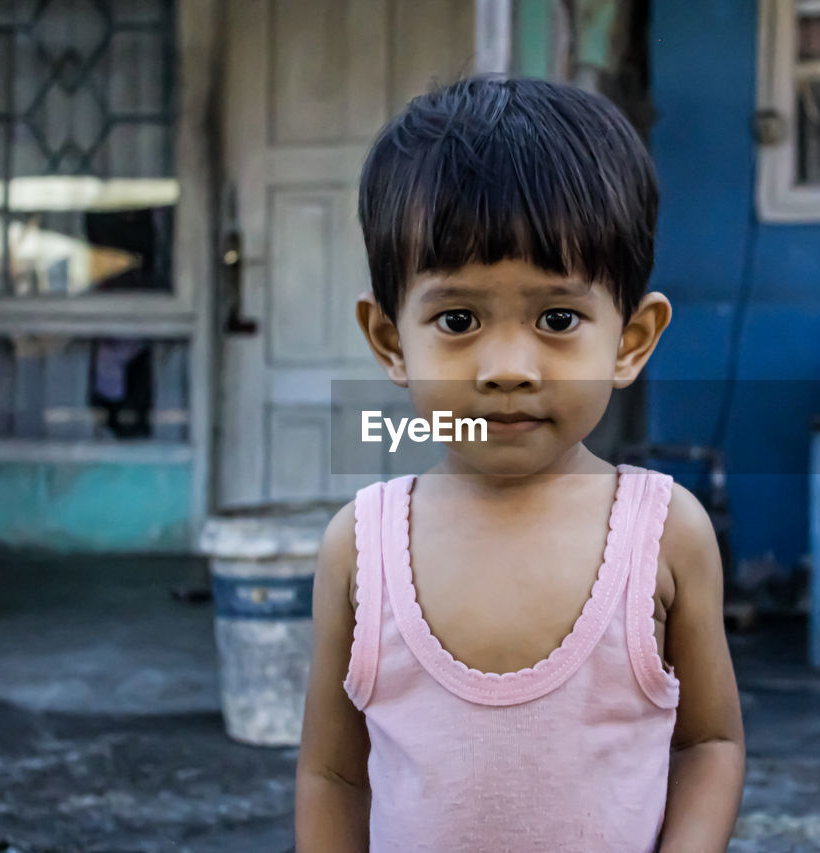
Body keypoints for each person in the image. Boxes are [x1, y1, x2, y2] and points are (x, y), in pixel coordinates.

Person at [295, 74, 744, 853]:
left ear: (630, 340)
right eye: (459, 318)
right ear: (391, 340)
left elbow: (710, 744)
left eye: (558, 317)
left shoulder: (664, 536)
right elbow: (334, 775)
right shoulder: (361, 548)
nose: (508, 366)